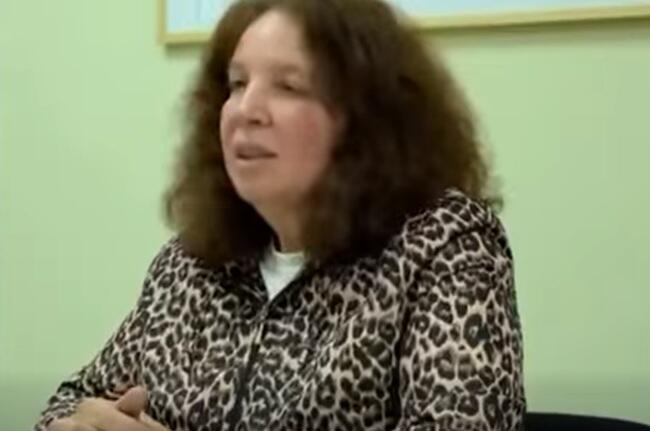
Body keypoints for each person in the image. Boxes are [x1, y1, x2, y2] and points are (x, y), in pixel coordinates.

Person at [36, 0, 526, 429]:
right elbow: (71, 400)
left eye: (288, 86)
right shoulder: (188, 265)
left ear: (366, 117)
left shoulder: (443, 245)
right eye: (236, 84)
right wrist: (85, 423)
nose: (246, 109)